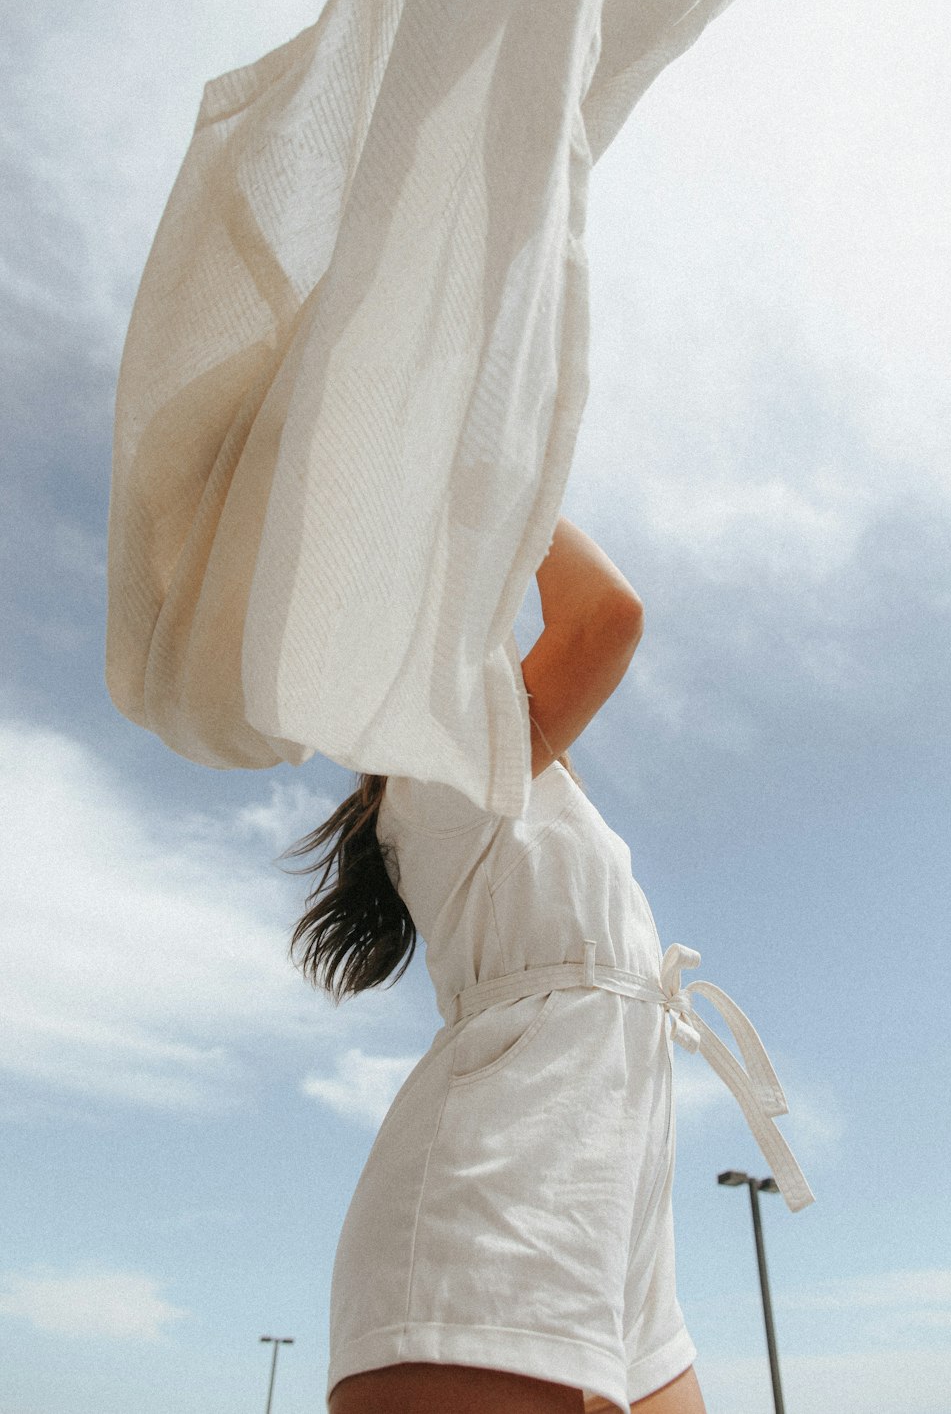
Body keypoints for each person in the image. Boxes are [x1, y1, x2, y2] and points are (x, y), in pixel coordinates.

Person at [288, 514, 733, 1413]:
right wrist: (492, 453)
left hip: (611, 1194)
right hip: (500, 1191)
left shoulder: (492, 787)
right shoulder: (439, 768)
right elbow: (606, 614)